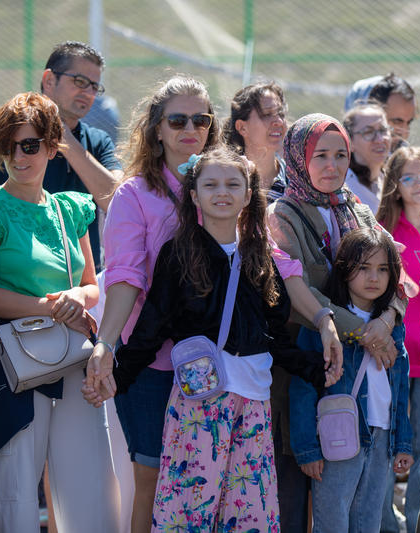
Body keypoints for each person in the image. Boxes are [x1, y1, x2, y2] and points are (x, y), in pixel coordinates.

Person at [82, 76, 341, 533]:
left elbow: (281, 266)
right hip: (153, 365)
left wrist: (324, 319)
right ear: (155, 128)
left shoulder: (223, 188)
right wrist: (106, 347)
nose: (190, 128)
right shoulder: (134, 194)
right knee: (158, 483)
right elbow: (124, 278)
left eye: (201, 119)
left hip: (229, 376)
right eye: (176, 119)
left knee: (232, 496)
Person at [0, 92, 118, 533]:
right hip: (9, 364)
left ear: (51, 145)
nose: (17, 157)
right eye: (7, 146)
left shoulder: (72, 207)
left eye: (28, 145)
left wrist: (74, 300)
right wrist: (54, 306)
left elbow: (90, 285)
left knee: (89, 491)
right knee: (15, 496)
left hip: (72, 360)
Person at [268, 112, 405, 533]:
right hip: (304, 361)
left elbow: (393, 274)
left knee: (359, 497)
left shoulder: (357, 208)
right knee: (300, 481)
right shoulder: (281, 214)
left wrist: (385, 319)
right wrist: (365, 330)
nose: (332, 166)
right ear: (297, 158)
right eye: (320, 155)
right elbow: (302, 292)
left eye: (340, 155)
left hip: (362, 368)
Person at [290, 227, 413, 532]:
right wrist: (306, 448)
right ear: (344, 270)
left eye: (383, 269)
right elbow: (303, 386)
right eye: (363, 268)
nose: (374, 277)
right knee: (332, 522)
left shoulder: (392, 324)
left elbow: (400, 386)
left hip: (382, 433)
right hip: (338, 433)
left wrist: (404, 443)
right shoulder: (324, 322)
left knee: (368, 522)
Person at [0, 41, 122, 269]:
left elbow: (117, 202)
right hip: (21, 282)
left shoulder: (97, 141)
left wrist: (66, 139)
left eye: (95, 86)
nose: (89, 93)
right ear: (49, 80)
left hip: (83, 285)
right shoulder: (10, 136)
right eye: (80, 82)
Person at [376, 147, 420, 533]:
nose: (419, 185)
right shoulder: (385, 230)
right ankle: (385, 522)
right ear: (396, 187)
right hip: (395, 354)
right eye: (409, 178)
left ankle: (417, 521)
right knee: (388, 442)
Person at [226, 81, 288, 201]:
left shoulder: (297, 180)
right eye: (266, 114)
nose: (279, 121)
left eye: (280, 113)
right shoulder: (223, 179)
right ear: (242, 127)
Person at [342, 102, 393, 213]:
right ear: (349, 143)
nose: (380, 139)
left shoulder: (395, 181)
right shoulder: (342, 186)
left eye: (383, 130)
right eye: (368, 132)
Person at [345, 73, 416, 149]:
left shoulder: (405, 157)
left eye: (409, 122)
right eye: (396, 122)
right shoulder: (337, 158)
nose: (404, 132)